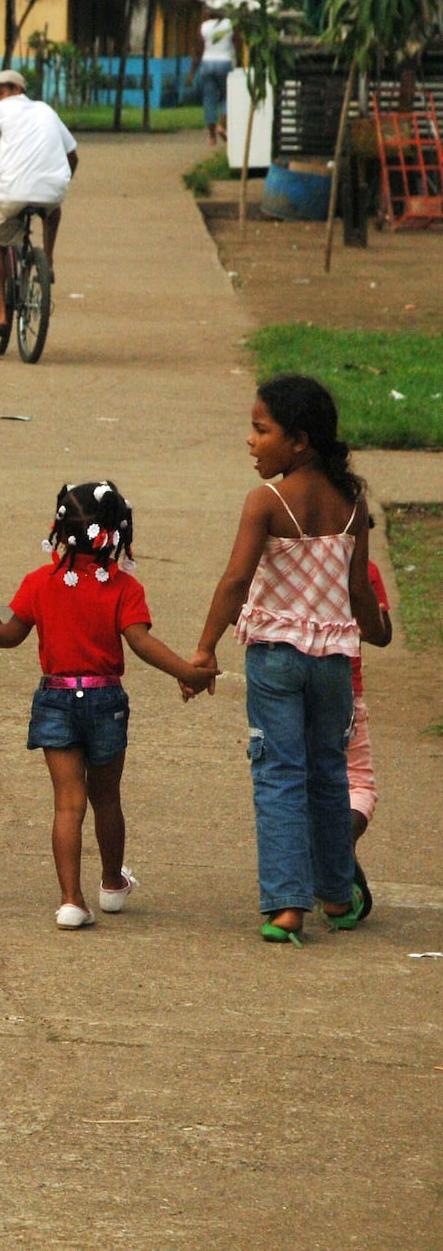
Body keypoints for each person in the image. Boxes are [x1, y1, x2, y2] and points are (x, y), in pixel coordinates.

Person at [190, 375, 385, 946]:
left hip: (275, 660)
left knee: (278, 775)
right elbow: (358, 593)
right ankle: (334, 893)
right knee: (328, 775)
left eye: (260, 429)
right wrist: (377, 631)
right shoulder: (351, 504)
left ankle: (285, 906)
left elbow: (235, 582)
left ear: (297, 440)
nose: (251, 441)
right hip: (332, 665)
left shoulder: (267, 502)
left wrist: (204, 649)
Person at [0, 480, 214, 929]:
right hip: (105, 699)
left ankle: (71, 900)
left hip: (55, 697)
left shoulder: (39, 583)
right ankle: (110, 884)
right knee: (107, 799)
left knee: (68, 804)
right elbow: (141, 643)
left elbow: (8, 635)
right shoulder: (124, 588)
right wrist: (187, 671)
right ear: (116, 535)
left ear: (61, 529)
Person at [0, 68, 77, 337]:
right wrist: (59, 183)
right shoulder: (47, 110)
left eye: (0, 91)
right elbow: (73, 156)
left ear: (17, 90)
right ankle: (47, 260)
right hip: (53, 189)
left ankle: (0, 315)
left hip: (13, 193)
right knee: (52, 209)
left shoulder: (0, 111)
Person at [349, 547, 393, 918]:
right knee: (358, 783)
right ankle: (339, 845)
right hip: (345, 688)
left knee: (291, 778)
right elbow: (382, 634)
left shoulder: (285, 552)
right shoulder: (365, 568)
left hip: (287, 690)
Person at [189, 12, 235, 147]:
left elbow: (198, 50)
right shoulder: (230, 25)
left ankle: (211, 137)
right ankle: (221, 125)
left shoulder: (203, 27)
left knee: (209, 99)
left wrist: (192, 74)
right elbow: (237, 44)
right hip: (225, 63)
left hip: (207, 63)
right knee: (227, 97)